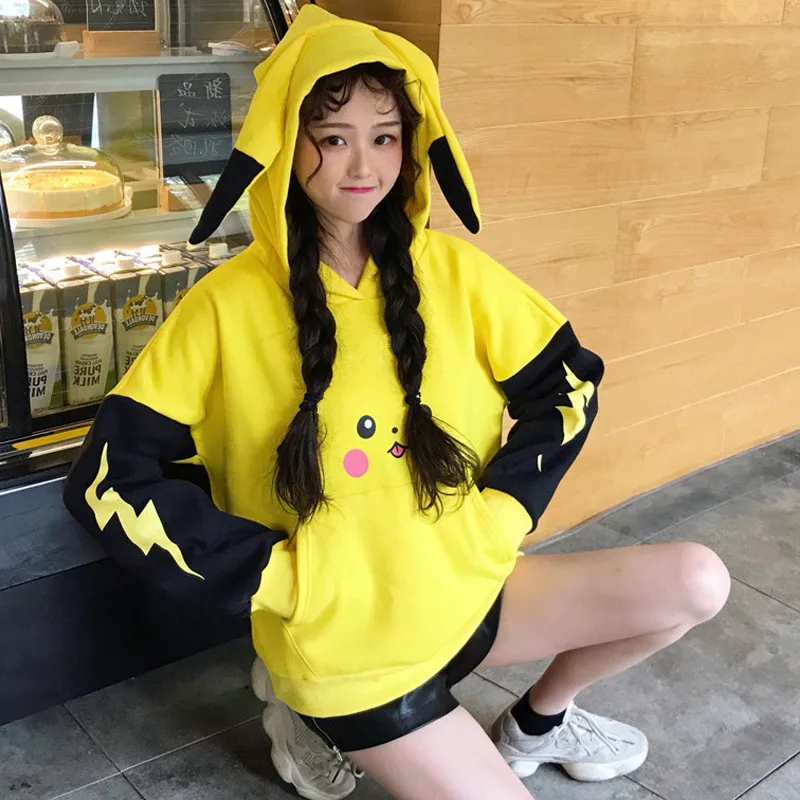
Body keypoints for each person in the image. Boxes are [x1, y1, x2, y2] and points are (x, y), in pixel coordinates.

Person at [63, 7, 731, 800]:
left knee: (700, 582)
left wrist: (503, 515)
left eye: (384, 137)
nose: (363, 165)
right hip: (348, 651)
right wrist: (278, 582)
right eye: (333, 136)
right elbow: (107, 479)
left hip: (469, 590)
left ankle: (538, 724)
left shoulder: (456, 272)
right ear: (286, 140)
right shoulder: (223, 306)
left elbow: (570, 383)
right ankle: (302, 712)